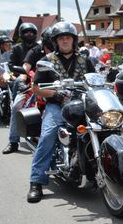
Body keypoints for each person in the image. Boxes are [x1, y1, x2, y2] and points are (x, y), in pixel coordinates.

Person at [26, 22, 95, 203]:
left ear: (74, 40)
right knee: (48, 134)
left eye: (68, 37)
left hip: (83, 104)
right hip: (57, 106)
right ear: (56, 41)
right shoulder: (47, 61)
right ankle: (36, 181)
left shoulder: (85, 60)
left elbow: (96, 81)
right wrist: (56, 94)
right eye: (61, 38)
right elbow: (36, 88)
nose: (65, 40)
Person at [1, 23, 39, 154]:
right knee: (17, 107)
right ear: (22, 34)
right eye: (27, 32)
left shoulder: (40, 48)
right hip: (23, 79)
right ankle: (13, 141)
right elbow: (12, 65)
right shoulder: (18, 49)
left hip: (40, 80)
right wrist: (21, 75)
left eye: (32, 32)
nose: (30, 34)